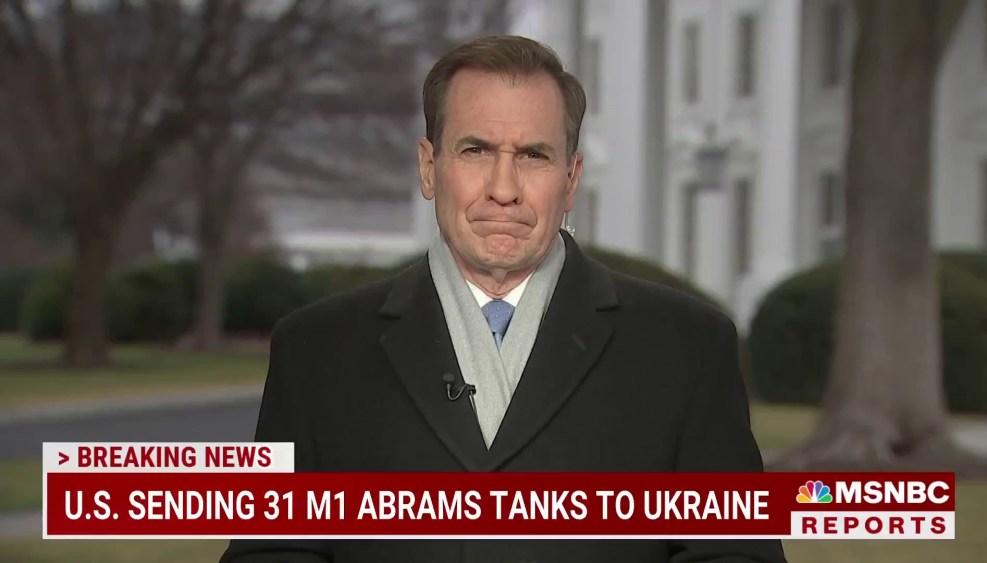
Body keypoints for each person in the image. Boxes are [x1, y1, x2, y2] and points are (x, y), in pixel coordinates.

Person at [221, 35, 786, 563]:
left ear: (571, 179)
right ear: (429, 168)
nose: (504, 189)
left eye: (534, 155)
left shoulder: (687, 349)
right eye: (475, 150)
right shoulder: (316, 352)